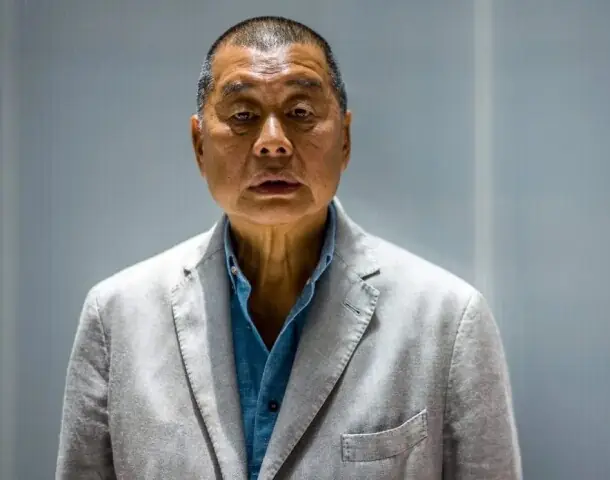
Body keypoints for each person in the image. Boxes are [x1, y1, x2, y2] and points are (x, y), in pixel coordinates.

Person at [56, 15, 522, 480]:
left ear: (345, 138)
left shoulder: (447, 320)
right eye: (243, 116)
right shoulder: (116, 317)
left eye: (300, 112)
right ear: (199, 144)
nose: (273, 143)